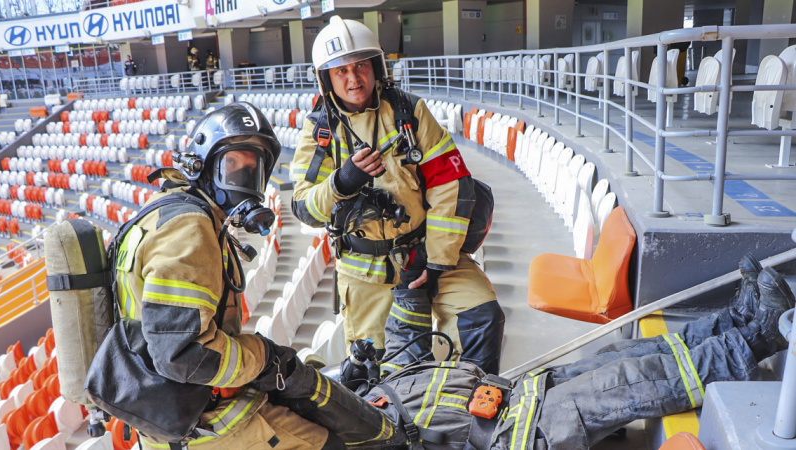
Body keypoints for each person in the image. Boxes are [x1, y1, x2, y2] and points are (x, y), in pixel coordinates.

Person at [113, 103, 399, 449]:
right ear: (203, 165)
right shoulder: (189, 228)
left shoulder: (165, 213)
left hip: (176, 411)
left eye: (254, 167)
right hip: (201, 422)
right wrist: (264, 357)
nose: (244, 180)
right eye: (233, 164)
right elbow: (184, 357)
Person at [318, 255, 795, 449]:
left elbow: (405, 351)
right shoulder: (359, 432)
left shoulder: (375, 390)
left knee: (625, 356)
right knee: (636, 380)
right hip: (520, 433)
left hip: (517, 396)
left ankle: (736, 320)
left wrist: (408, 292)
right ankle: (759, 339)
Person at [290, 15, 505, 376]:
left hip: (429, 252)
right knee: (380, 376)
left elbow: (450, 182)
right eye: (341, 71)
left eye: (360, 66)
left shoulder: (410, 112)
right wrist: (342, 182)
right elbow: (304, 207)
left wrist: (434, 259)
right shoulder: (319, 132)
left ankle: (470, 410)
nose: (353, 78)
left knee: (482, 317)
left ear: (376, 67)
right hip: (365, 274)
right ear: (326, 78)